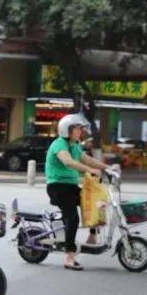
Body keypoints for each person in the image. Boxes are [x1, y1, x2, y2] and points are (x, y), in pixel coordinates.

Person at [44, 114, 111, 271]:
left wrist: (107, 168)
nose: (80, 131)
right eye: (77, 129)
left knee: (94, 203)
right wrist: (90, 170)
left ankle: (92, 236)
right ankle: (70, 257)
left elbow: (86, 159)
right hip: (57, 187)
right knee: (72, 218)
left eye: (81, 129)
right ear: (67, 130)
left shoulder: (75, 146)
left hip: (71, 186)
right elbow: (68, 161)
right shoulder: (58, 145)